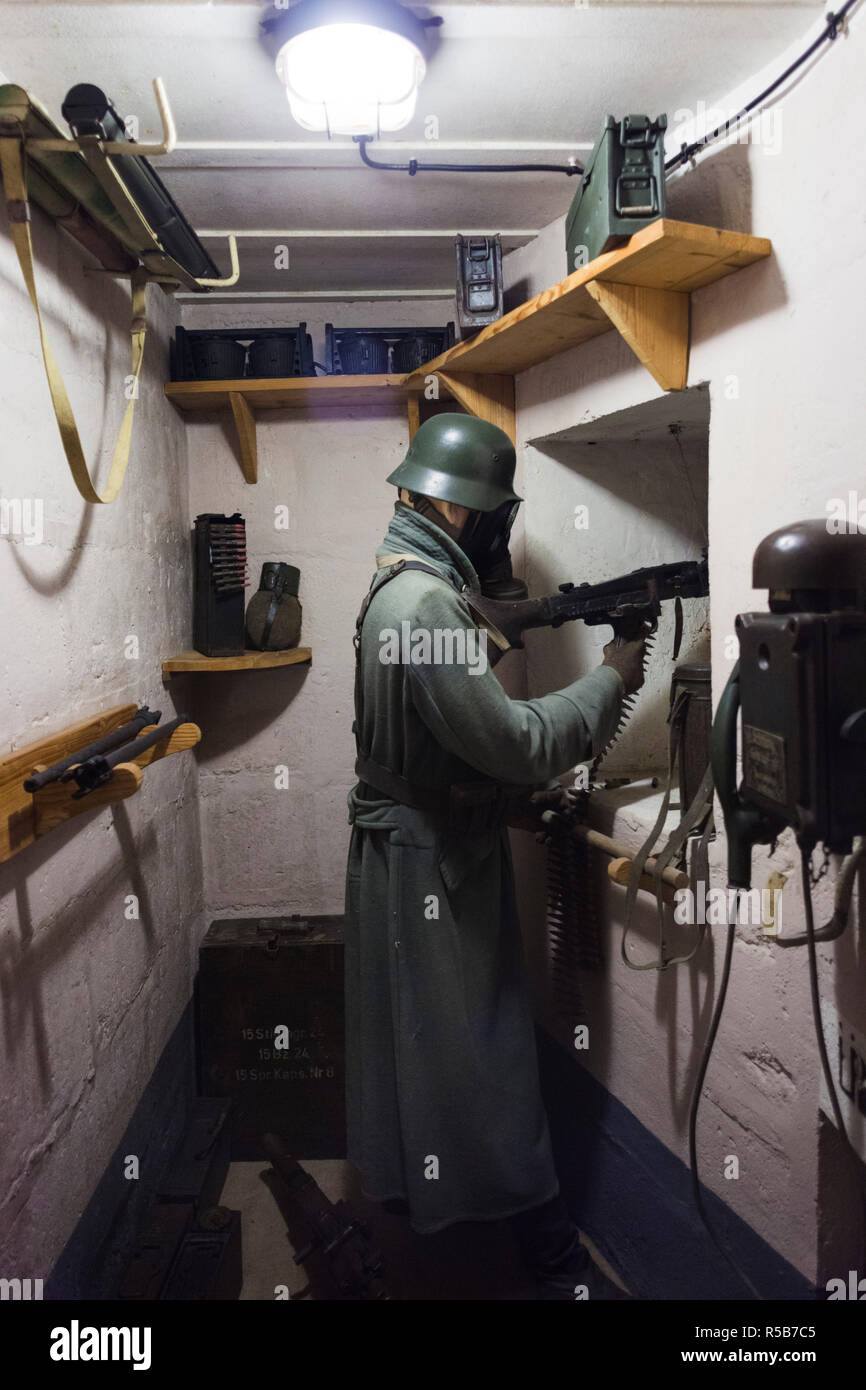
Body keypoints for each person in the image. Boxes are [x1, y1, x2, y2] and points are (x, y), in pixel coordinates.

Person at [344, 414, 647, 1299]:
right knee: (487, 1052)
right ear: (475, 513)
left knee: (421, 1045)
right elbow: (511, 740)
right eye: (496, 518)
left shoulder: (391, 584)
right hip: (434, 866)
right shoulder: (429, 601)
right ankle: (543, 1242)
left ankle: (421, 1212)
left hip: (400, 850)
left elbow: (427, 743)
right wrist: (613, 676)